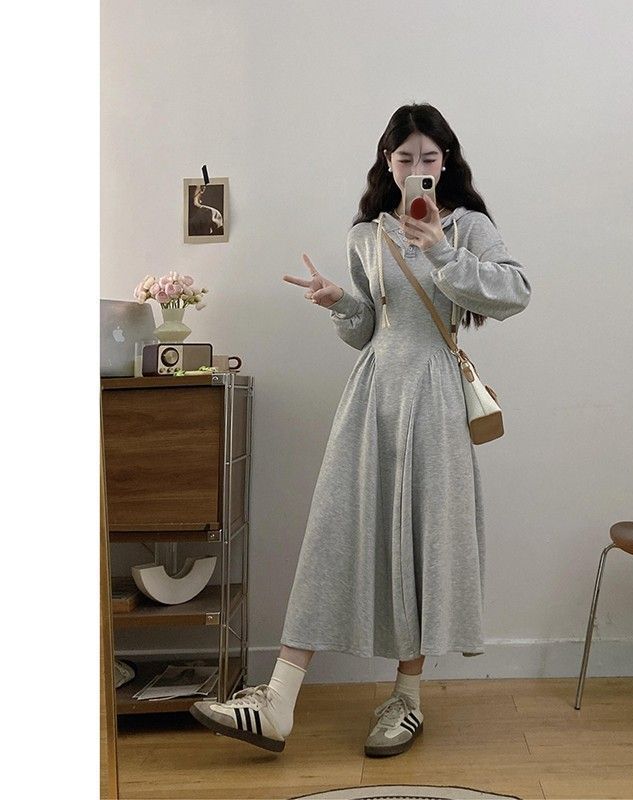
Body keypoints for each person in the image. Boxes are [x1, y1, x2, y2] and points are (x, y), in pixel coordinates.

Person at [190, 103, 532, 758]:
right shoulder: (366, 236)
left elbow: (515, 292)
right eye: (405, 158)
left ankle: (407, 697)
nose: (417, 168)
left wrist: (443, 253)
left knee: (423, 538)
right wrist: (339, 302)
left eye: (429, 157)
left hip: (434, 396)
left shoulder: (467, 225)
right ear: (387, 161)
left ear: (445, 162)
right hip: (372, 394)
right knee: (334, 528)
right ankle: (278, 700)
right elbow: (368, 330)